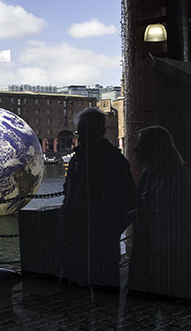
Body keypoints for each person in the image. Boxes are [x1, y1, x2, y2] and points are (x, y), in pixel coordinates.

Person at [122, 125, 191, 331]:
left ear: (156, 147)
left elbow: (190, 214)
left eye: (141, 144)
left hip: (172, 250)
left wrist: (150, 216)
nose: (136, 149)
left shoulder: (181, 176)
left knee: (174, 308)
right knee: (143, 305)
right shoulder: (146, 174)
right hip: (147, 248)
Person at [57, 107, 135, 289]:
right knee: (77, 292)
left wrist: (109, 230)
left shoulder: (114, 161)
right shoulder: (77, 160)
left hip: (102, 240)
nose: (81, 136)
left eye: (86, 131)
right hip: (75, 238)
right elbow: (68, 197)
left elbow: (128, 200)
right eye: (79, 132)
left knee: (105, 290)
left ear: (100, 131)